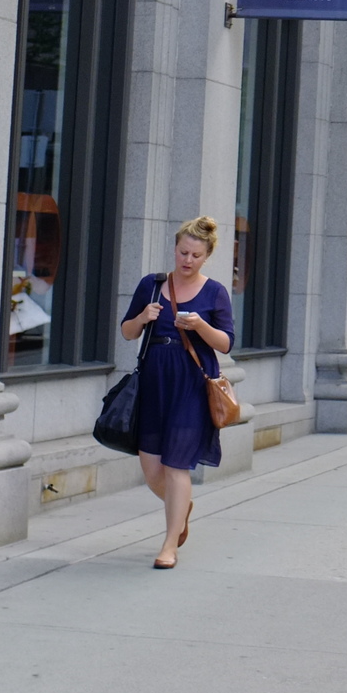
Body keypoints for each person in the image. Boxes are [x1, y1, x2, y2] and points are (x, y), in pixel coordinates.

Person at [118, 216, 236, 569]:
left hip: (192, 383)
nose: (187, 260)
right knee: (152, 468)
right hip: (155, 380)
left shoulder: (215, 292)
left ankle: (169, 544)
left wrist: (201, 326)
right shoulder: (152, 286)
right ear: (174, 249)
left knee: (175, 464)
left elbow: (227, 344)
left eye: (195, 255)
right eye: (183, 252)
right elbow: (126, 332)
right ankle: (181, 506)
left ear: (207, 256)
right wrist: (143, 318)